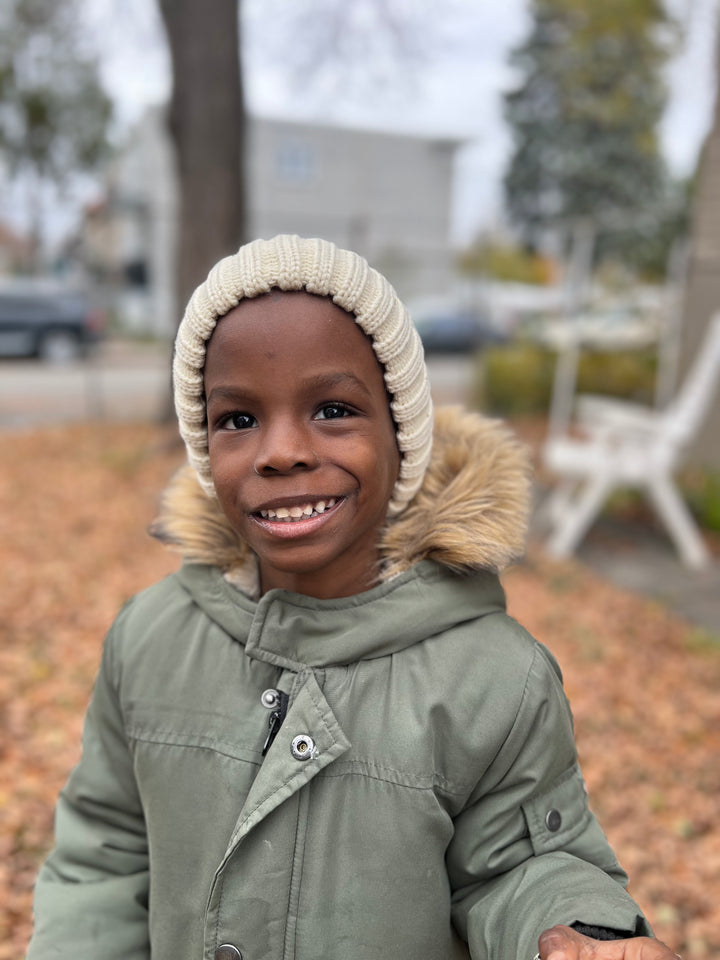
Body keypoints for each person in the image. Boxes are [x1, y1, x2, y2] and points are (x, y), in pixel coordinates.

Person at [27, 235, 678, 960]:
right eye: (237, 420)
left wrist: (576, 931)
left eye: (333, 409)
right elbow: (103, 859)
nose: (280, 451)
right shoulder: (149, 641)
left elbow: (522, 864)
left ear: (404, 436)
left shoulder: (496, 677)